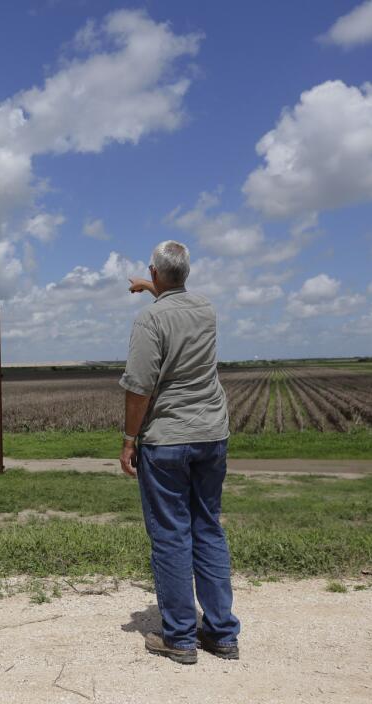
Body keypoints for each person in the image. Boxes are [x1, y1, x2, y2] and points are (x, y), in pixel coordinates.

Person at [118, 240, 240, 665]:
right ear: (186, 273)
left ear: (154, 272)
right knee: (207, 527)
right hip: (212, 434)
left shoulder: (148, 321)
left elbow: (140, 386)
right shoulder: (206, 309)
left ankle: (181, 638)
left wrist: (130, 438)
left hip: (167, 438)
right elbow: (178, 304)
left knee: (171, 535)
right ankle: (223, 634)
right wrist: (154, 287)